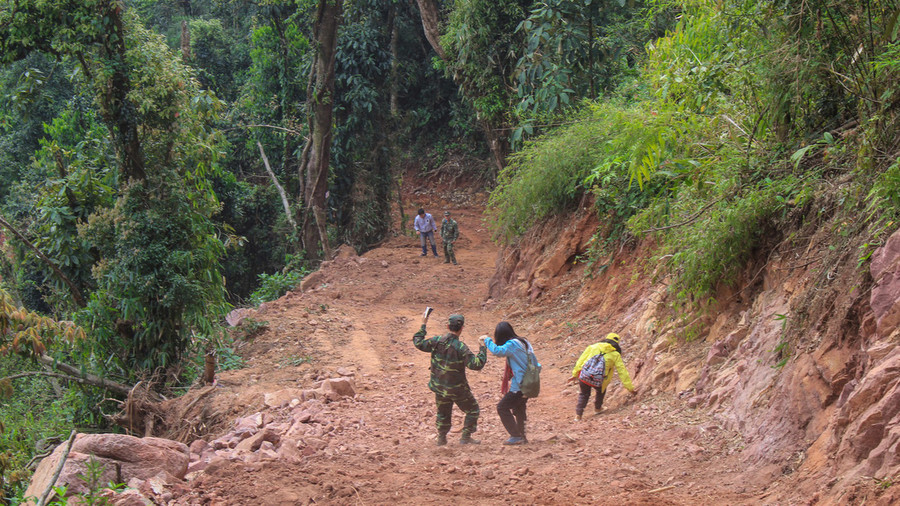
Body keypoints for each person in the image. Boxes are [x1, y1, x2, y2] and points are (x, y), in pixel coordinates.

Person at [414, 312, 487, 445]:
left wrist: (423, 324)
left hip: (439, 386)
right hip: (457, 389)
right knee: (473, 410)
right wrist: (482, 348)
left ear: (447, 326)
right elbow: (476, 365)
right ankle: (465, 437)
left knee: (443, 412)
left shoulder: (436, 341)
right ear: (462, 328)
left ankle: (441, 438)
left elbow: (418, 342)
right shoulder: (461, 347)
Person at [481, 322, 537, 445]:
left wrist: (487, 340)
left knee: (502, 407)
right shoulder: (524, 342)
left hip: (520, 385)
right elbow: (536, 363)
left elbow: (497, 351)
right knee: (519, 408)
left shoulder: (512, 345)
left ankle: (516, 435)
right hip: (530, 382)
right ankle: (522, 436)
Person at [566, 333, 636, 421]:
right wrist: (630, 388)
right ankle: (598, 408)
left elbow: (580, 361)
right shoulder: (615, 355)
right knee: (601, 391)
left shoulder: (593, 347)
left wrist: (575, 374)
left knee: (583, 394)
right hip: (599, 380)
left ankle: (578, 415)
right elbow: (622, 372)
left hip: (584, 376)